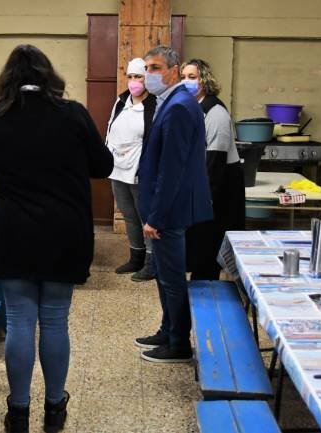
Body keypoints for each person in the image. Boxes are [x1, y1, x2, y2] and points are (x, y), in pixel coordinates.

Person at [0, 44, 113, 433]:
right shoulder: (72, 114)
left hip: (12, 229)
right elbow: (102, 165)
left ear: (8, 77)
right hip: (62, 229)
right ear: (47, 75)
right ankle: (55, 408)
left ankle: (17, 411)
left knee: (20, 321)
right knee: (55, 321)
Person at [133, 46, 213, 363]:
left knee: (172, 278)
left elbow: (172, 170)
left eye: (156, 68)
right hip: (165, 208)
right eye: (147, 68)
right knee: (166, 275)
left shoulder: (179, 106)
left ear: (174, 69)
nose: (150, 74)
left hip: (169, 210)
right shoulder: (173, 102)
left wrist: (157, 216)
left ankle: (178, 344)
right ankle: (167, 330)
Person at [181, 58, 245, 280]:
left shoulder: (216, 112)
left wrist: (201, 198)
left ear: (204, 80)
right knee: (199, 247)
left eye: (192, 77)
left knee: (209, 246)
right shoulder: (194, 108)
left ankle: (206, 293)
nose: (187, 82)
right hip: (201, 180)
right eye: (183, 77)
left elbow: (214, 162)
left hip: (218, 187)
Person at [106, 58, 157, 282]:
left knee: (144, 217)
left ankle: (151, 262)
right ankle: (135, 257)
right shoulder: (121, 101)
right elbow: (110, 129)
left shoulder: (154, 105)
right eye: (131, 77)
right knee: (128, 216)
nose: (134, 82)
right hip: (117, 169)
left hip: (139, 170)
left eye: (139, 77)